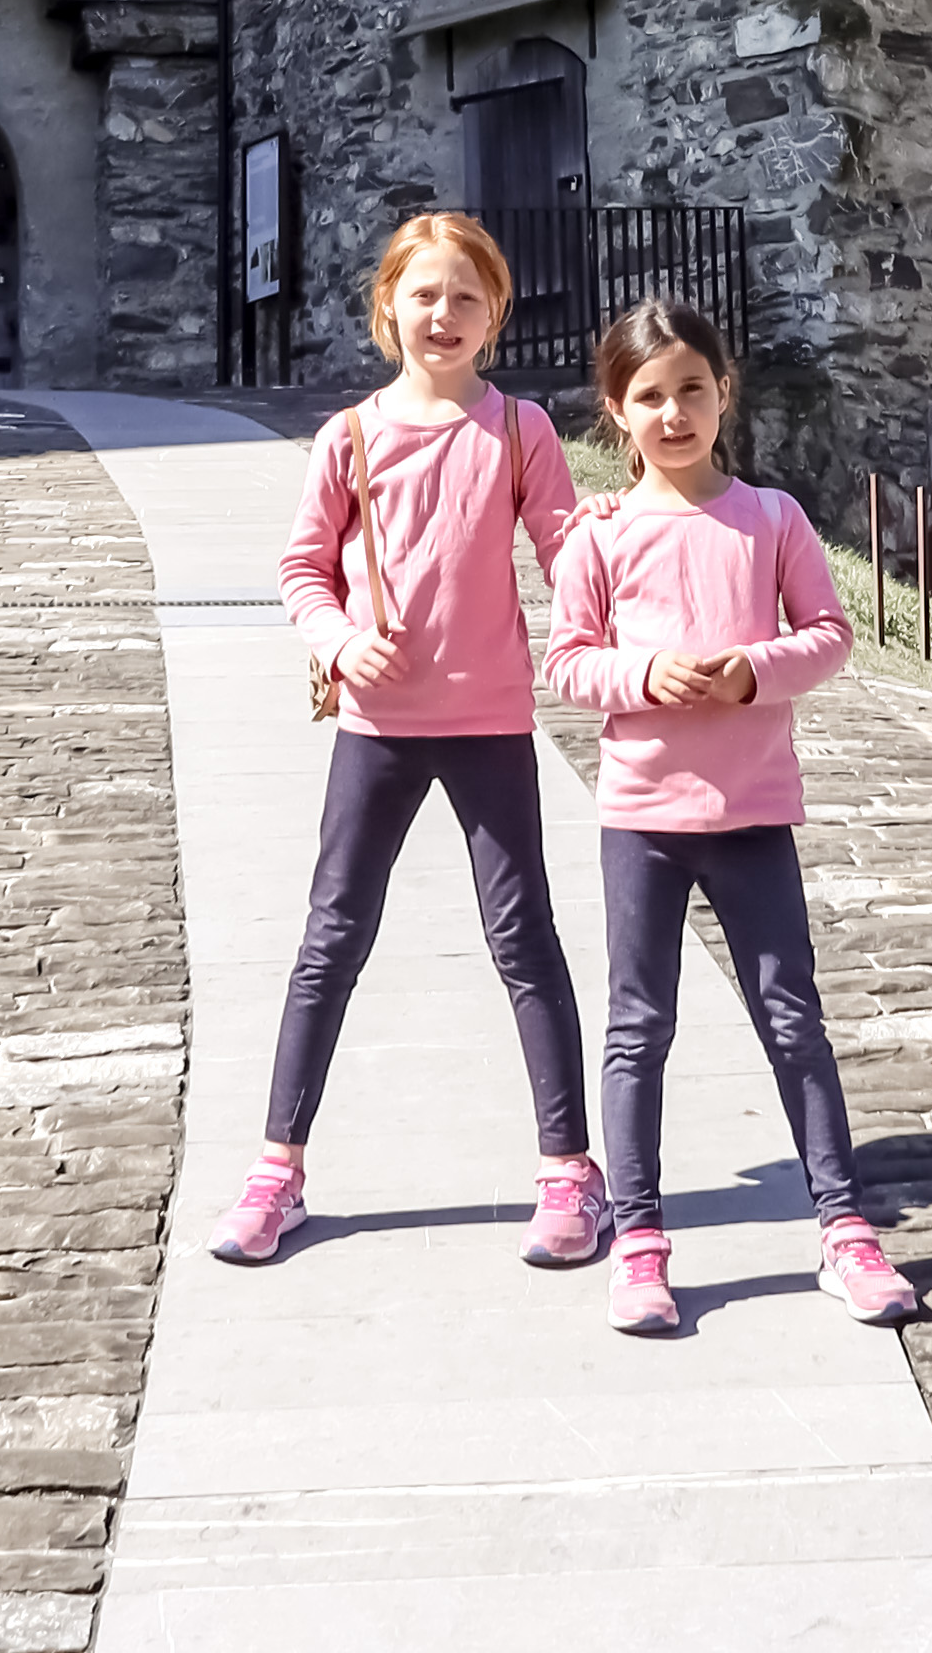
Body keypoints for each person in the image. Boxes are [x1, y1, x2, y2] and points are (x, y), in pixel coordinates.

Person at [205, 210, 607, 1268]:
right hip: (379, 726)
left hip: (489, 721)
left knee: (524, 940)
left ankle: (569, 1171)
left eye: (466, 296)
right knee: (330, 940)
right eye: (424, 294)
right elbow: (302, 569)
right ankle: (276, 1170)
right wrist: (337, 640)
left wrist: (633, 590)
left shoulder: (521, 433)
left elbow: (569, 553)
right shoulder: (351, 438)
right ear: (388, 307)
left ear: (495, 315)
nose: (444, 313)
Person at [540, 295, 922, 1337]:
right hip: (644, 818)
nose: (674, 414)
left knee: (792, 1019)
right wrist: (645, 673)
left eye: (692, 392)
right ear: (616, 411)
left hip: (754, 813)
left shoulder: (773, 519)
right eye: (649, 397)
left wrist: (753, 670)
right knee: (638, 1028)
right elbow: (567, 662)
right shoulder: (600, 538)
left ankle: (844, 1230)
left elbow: (831, 634)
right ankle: (643, 1240)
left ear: (724, 393)